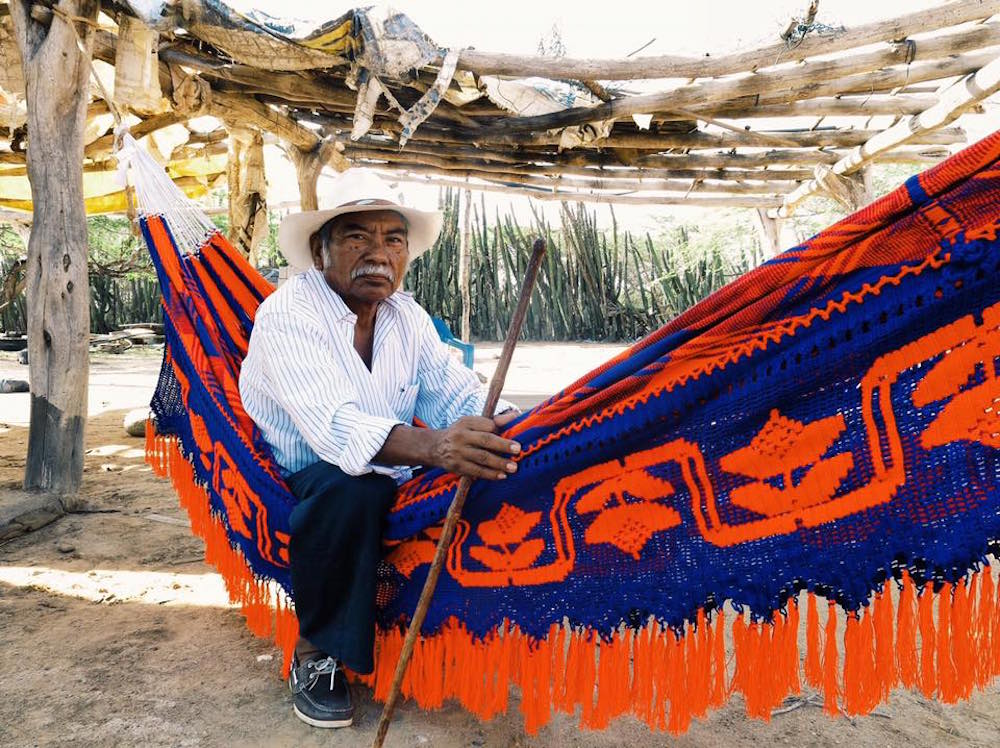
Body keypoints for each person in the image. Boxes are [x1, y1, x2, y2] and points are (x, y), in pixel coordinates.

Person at [238, 169, 520, 729]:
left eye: (393, 239)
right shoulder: (289, 313)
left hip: (396, 463)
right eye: (356, 237)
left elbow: (453, 395)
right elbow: (336, 429)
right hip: (306, 469)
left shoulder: (407, 317)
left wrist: (505, 426)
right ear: (321, 252)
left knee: (500, 470)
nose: (378, 253)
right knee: (353, 489)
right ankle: (316, 651)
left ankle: (462, 626)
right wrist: (440, 446)